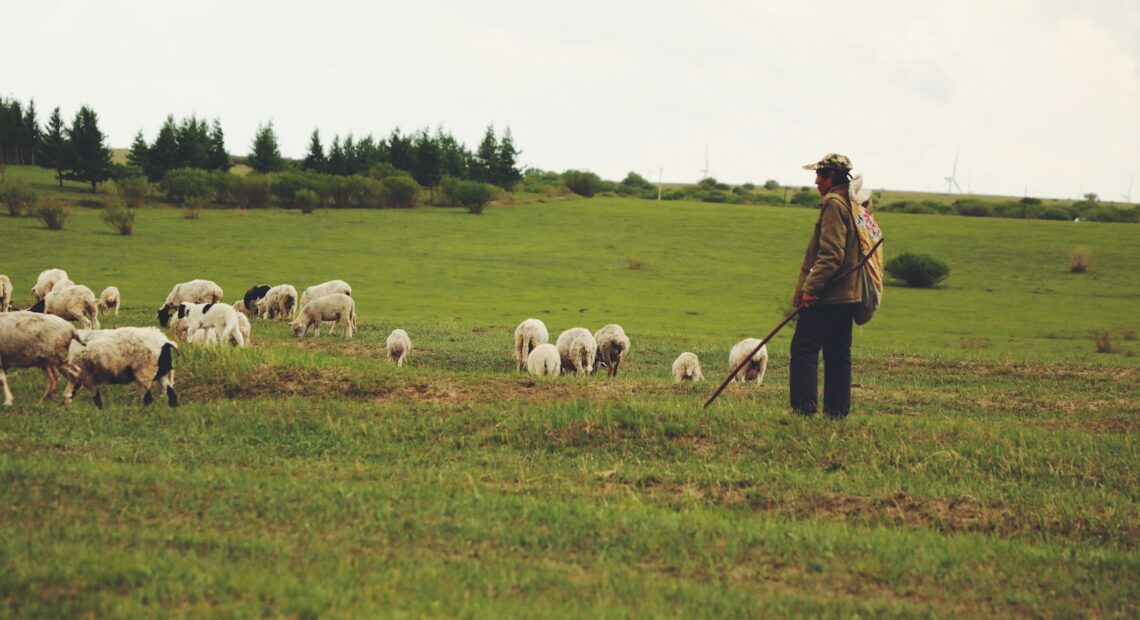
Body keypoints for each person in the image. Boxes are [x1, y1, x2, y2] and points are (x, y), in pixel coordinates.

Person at [789, 153, 863, 418]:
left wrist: (811, 289)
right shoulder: (854, 202)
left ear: (832, 176)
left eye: (820, 174)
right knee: (837, 353)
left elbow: (831, 254)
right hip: (849, 294)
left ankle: (804, 410)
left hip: (829, 294)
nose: (816, 181)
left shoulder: (833, 204)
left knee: (803, 349)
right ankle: (837, 412)